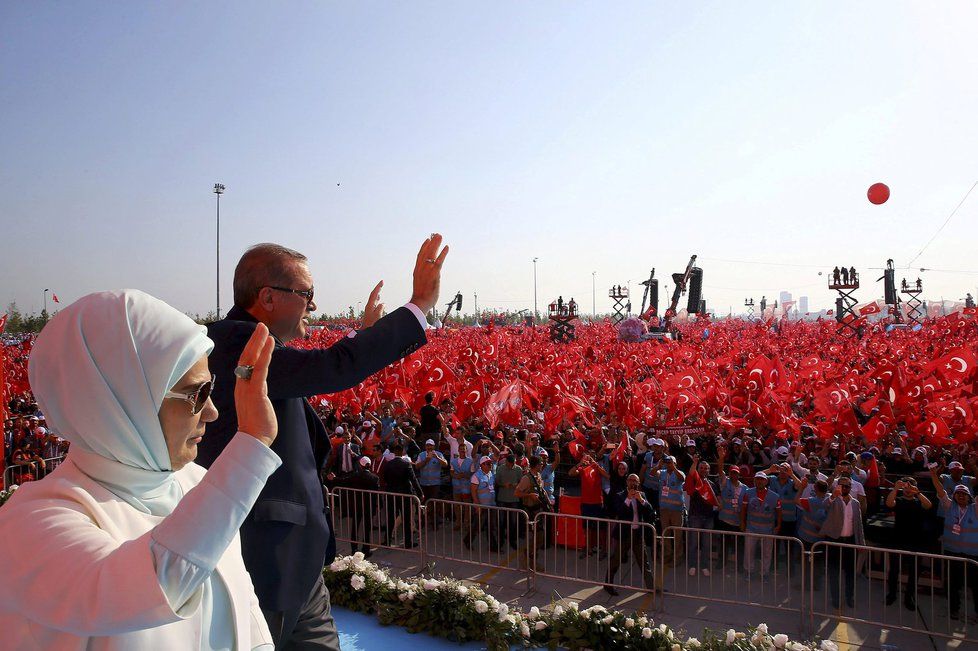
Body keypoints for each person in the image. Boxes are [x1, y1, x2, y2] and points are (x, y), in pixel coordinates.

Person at [197, 235, 447, 648]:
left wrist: (364, 335)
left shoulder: (252, 344)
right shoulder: (237, 344)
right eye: (306, 294)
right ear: (268, 297)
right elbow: (331, 368)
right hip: (265, 561)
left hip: (296, 565)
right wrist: (418, 305)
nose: (314, 305)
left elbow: (312, 371)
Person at [0, 290, 279, 649]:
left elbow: (245, 612)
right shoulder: (31, 521)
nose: (212, 412)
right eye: (197, 393)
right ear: (119, 401)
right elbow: (145, 590)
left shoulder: (198, 484)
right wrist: (251, 445)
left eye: (213, 388)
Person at [929, 467, 978, 622]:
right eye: (958, 493)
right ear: (954, 495)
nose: (961, 496)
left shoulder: (975, 509)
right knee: (953, 584)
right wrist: (933, 474)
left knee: (976, 586)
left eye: (964, 494)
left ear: (969, 496)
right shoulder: (949, 506)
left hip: (972, 554)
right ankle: (954, 609)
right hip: (952, 552)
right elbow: (940, 490)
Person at [884, 476, 932, 610]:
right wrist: (895, 489)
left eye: (910, 487)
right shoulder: (898, 500)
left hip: (915, 542)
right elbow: (889, 503)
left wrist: (917, 492)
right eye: (905, 487)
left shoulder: (918, 502)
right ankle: (892, 594)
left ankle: (909, 596)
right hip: (898, 540)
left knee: (914, 571)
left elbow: (928, 505)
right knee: (894, 570)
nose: (908, 490)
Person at [604, 474, 656, 595]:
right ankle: (608, 584)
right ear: (627, 482)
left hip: (637, 534)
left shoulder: (641, 495)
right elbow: (619, 511)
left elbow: (650, 513)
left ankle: (651, 587)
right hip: (624, 534)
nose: (633, 483)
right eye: (631, 480)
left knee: (644, 562)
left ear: (638, 483)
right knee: (616, 560)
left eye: (635, 481)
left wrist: (642, 501)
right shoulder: (620, 495)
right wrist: (628, 498)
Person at [819, 477, 865, 609]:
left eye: (847, 486)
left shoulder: (855, 503)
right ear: (838, 486)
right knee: (834, 572)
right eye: (842, 486)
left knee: (850, 573)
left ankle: (849, 597)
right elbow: (824, 506)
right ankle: (835, 598)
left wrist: (861, 543)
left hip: (850, 541)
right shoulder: (832, 499)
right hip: (834, 539)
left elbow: (858, 525)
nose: (844, 488)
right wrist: (833, 495)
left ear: (850, 488)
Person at [382, 441, 424, 550]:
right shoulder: (406, 464)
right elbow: (413, 480)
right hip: (405, 495)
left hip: (391, 494)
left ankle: (387, 540)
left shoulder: (388, 464)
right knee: (406, 519)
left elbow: (385, 478)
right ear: (402, 452)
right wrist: (420, 493)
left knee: (391, 517)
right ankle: (408, 542)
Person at [740, 471, 781, 581]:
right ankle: (748, 571)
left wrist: (778, 525)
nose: (759, 481)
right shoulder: (748, 493)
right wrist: (742, 523)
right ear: (754, 480)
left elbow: (779, 511)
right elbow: (743, 509)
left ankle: (765, 573)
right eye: (757, 479)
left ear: (766, 481)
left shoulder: (774, 496)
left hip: (768, 528)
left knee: (767, 552)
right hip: (751, 527)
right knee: (749, 551)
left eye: (762, 479)